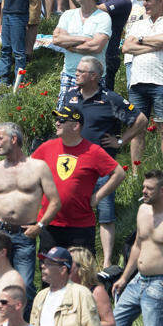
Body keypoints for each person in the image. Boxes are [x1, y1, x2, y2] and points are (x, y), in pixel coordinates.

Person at [61, 56, 147, 266]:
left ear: (94, 76)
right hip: (72, 164)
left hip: (102, 168)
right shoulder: (71, 94)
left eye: (81, 71)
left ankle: (107, 261)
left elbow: (141, 119)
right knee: (69, 209)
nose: (76, 74)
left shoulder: (110, 98)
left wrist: (121, 140)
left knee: (105, 213)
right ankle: (70, 256)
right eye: (77, 70)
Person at [0, 122, 60, 305]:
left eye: (0, 138)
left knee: (25, 285)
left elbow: (55, 201)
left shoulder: (38, 167)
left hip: (24, 234)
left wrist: (40, 226)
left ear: (14, 139)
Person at [31, 105, 125, 253]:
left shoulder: (93, 151)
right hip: (50, 223)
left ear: (75, 125)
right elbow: (28, 168)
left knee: (81, 274)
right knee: (49, 273)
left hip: (80, 226)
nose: (57, 123)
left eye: (62, 120)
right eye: (57, 119)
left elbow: (119, 173)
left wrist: (98, 196)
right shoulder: (46, 147)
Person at [112, 170, 163, 326]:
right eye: (143, 187)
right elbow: (137, 246)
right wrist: (124, 278)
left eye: (149, 188)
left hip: (160, 284)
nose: (144, 191)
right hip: (137, 280)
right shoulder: (143, 210)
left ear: (162, 190)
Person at [123, 0, 163, 167]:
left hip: (161, 81)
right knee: (137, 128)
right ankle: (135, 173)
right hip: (137, 81)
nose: (144, 4)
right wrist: (153, 44)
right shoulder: (139, 23)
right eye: (143, 1)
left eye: (148, 0)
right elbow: (126, 47)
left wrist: (140, 40)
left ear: (160, 1)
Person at [52, 0, 111, 106]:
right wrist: (84, 39)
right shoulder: (68, 15)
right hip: (69, 75)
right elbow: (56, 39)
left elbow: (96, 47)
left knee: (92, 119)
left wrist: (69, 45)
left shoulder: (103, 17)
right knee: (64, 119)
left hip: (94, 78)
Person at [30, 246, 102, 326]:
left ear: (63, 270)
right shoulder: (40, 296)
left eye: (49, 263)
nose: (42, 266)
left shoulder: (81, 294)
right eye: (43, 262)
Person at [96, 0, 133, 91]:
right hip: (97, 52)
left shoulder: (124, 1)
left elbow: (96, 9)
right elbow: (87, 9)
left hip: (108, 55)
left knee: (104, 96)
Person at [69, 247, 116, 326]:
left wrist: (81, 324)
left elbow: (110, 325)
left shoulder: (97, 292)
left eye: (69, 262)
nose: (64, 266)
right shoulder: (62, 289)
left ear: (82, 267)